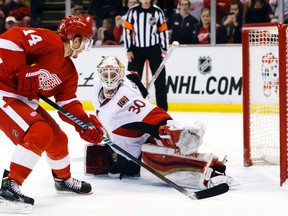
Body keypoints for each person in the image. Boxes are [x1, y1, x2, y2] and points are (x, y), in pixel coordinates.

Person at [0, 15, 103, 213]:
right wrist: (19, 69)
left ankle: (62, 180)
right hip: (3, 92)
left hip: (24, 100)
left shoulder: (69, 71)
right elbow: (8, 39)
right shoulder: (50, 41)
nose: (84, 47)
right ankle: (9, 185)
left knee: (58, 139)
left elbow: (68, 102)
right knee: (40, 131)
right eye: (85, 41)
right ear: (75, 39)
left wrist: (84, 123)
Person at [85, 56, 234, 189]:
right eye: (106, 75)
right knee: (162, 147)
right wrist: (173, 129)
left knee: (156, 139)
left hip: (128, 141)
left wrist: (141, 91)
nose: (109, 78)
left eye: (114, 74)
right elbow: (155, 119)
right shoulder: (117, 108)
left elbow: (132, 75)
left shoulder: (101, 85)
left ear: (121, 74)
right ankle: (204, 172)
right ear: (100, 75)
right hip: (132, 160)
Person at [123, 0, 169, 111]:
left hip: (154, 49)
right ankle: (130, 107)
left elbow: (163, 30)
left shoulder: (158, 11)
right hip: (136, 49)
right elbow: (127, 30)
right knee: (131, 79)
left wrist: (164, 48)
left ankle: (162, 109)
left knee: (160, 79)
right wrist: (128, 49)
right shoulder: (133, 11)